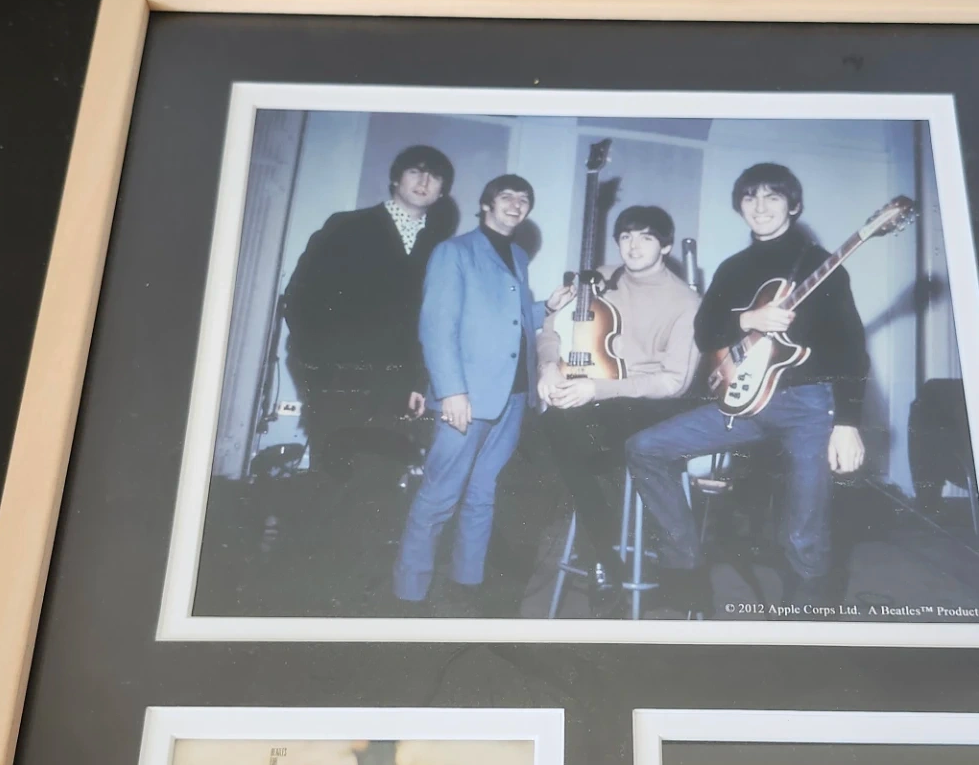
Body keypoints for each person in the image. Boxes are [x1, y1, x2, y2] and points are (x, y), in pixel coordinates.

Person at [626, 163, 870, 616]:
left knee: (804, 532)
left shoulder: (820, 264)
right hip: (742, 402)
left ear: (793, 206)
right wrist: (747, 319)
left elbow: (850, 347)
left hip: (808, 405)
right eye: (750, 197)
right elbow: (705, 333)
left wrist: (848, 422)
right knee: (645, 448)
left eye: (772, 197)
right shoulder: (734, 267)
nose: (760, 206)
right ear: (740, 206)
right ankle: (685, 569)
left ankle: (803, 627)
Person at [536, 205, 702, 615]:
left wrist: (598, 390)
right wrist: (548, 366)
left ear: (665, 246)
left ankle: (603, 559)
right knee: (542, 431)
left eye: (646, 237)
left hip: (646, 403)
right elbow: (552, 330)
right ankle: (605, 556)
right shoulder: (599, 279)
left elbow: (673, 383)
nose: (633, 246)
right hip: (592, 399)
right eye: (626, 236)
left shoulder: (686, 302)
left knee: (566, 435)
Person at [392, 175, 544, 614]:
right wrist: (451, 391)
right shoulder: (454, 252)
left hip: (513, 396)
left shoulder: (518, 256)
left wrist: (549, 307)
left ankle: (467, 581)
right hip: (468, 396)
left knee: (484, 492)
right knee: (439, 494)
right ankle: (408, 593)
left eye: (524, 198)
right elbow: (437, 327)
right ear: (486, 204)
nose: (516, 204)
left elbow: (512, 321)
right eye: (507, 196)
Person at [282, 144, 456, 473]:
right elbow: (300, 297)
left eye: (434, 177)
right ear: (396, 179)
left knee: (380, 479)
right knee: (334, 477)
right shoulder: (348, 226)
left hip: (396, 386)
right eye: (415, 171)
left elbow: (432, 321)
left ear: (442, 191)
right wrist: (321, 366)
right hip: (339, 379)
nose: (424, 181)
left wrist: (418, 381)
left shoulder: (441, 247)